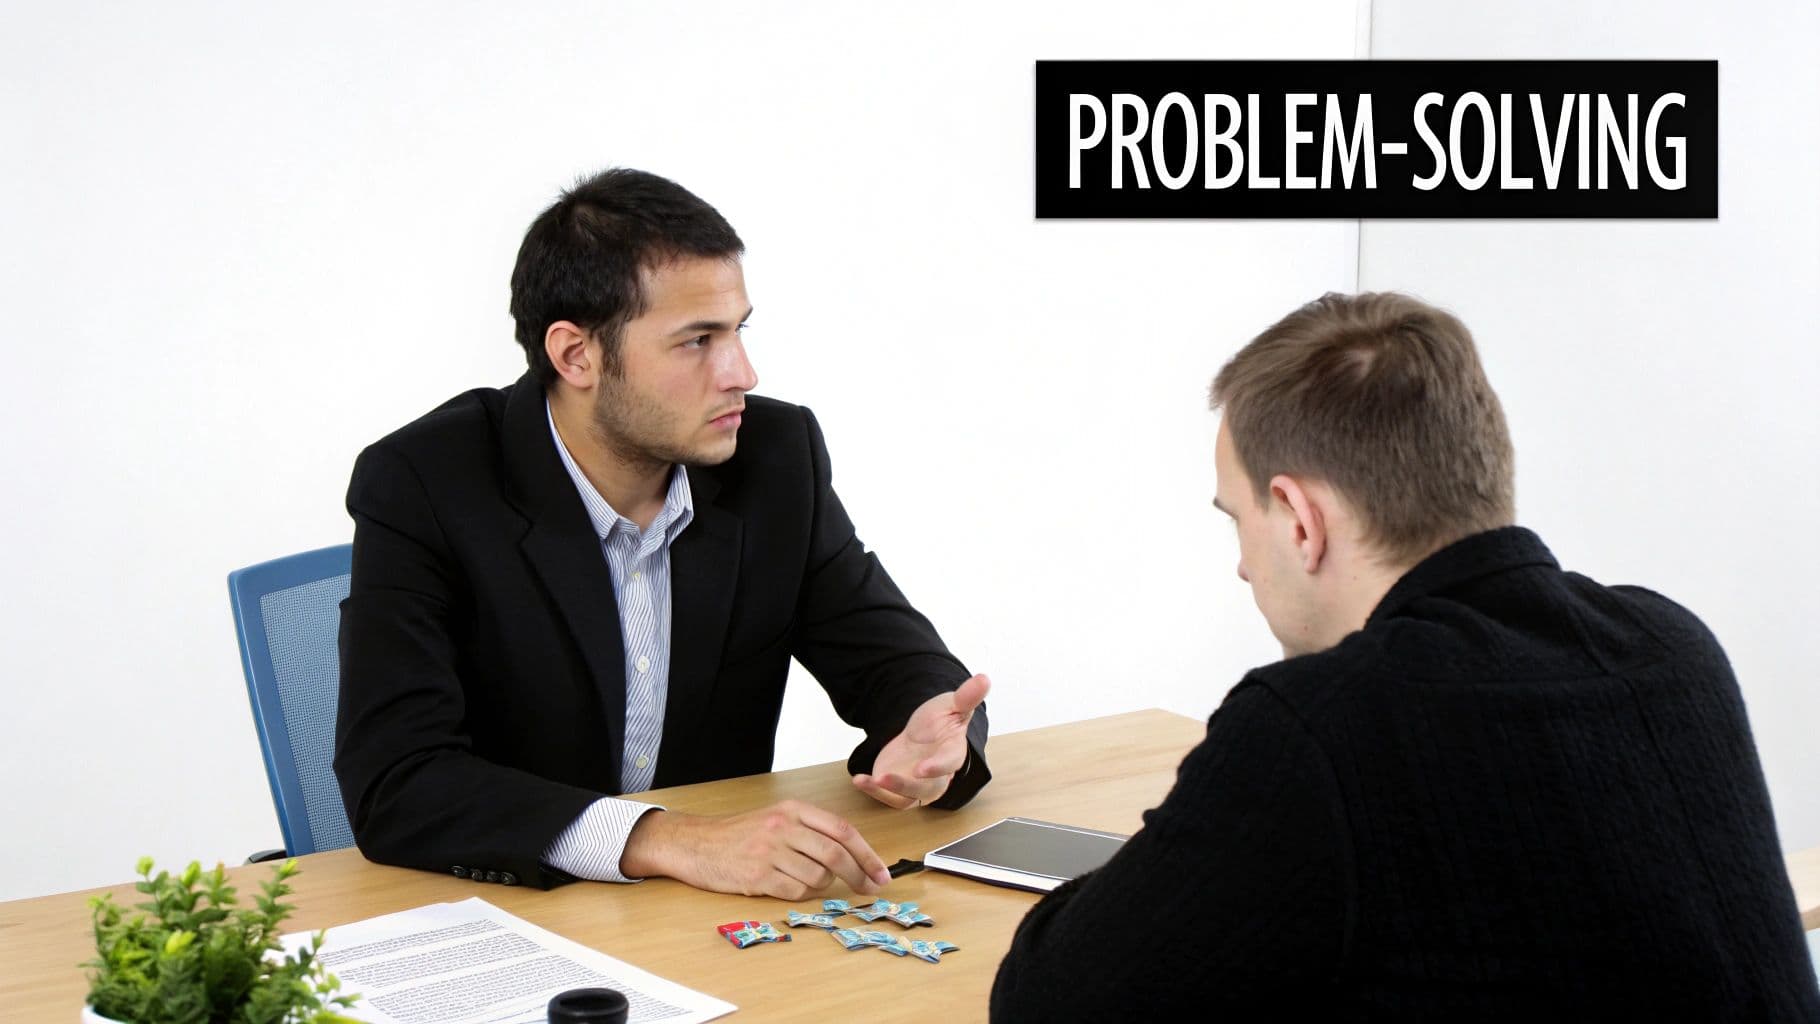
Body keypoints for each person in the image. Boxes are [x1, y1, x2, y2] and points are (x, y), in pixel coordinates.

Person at [990, 292, 1820, 1019]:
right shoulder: (1674, 648)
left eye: (1235, 519)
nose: (1243, 562)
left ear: (1299, 519)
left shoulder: (1325, 723)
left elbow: (1047, 1001)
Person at [333, 168, 990, 897]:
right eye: (697, 341)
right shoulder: (425, 480)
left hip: (703, 921)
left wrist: (930, 728)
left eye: (738, 330)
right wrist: (665, 838)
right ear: (576, 354)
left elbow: (891, 660)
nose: (741, 371)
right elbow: (397, 779)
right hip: (508, 910)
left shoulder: (775, 458)